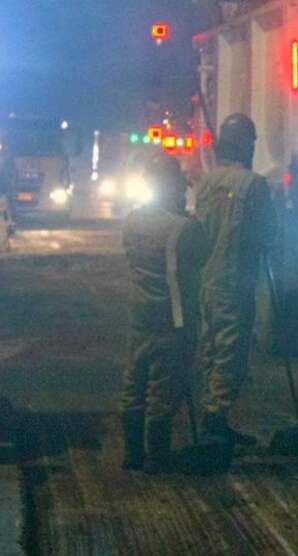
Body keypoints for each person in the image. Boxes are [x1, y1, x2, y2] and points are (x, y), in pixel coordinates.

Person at [119, 153, 206, 473]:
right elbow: (200, 259)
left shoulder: (131, 222)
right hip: (174, 318)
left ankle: (131, 452)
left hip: (140, 315)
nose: (185, 193)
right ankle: (157, 456)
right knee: (163, 389)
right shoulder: (183, 229)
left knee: (135, 382)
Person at [195, 114, 276, 454]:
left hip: (206, 280)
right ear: (248, 146)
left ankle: (210, 414)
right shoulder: (253, 184)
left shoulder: (207, 182)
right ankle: (215, 422)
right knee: (231, 353)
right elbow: (268, 234)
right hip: (235, 280)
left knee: (212, 348)